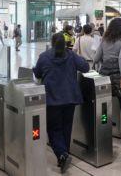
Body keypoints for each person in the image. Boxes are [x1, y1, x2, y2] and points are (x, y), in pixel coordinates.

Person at [33, 32, 89, 173]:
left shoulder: (44, 56)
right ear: (65, 43)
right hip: (70, 98)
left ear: (52, 43)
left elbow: (38, 73)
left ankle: (62, 154)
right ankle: (64, 154)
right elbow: (85, 67)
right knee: (66, 127)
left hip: (52, 99)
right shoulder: (70, 55)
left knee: (53, 129)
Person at [93, 18, 121, 128]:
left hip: (104, 74)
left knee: (103, 103)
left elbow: (96, 58)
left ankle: (103, 132)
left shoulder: (104, 39)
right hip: (118, 73)